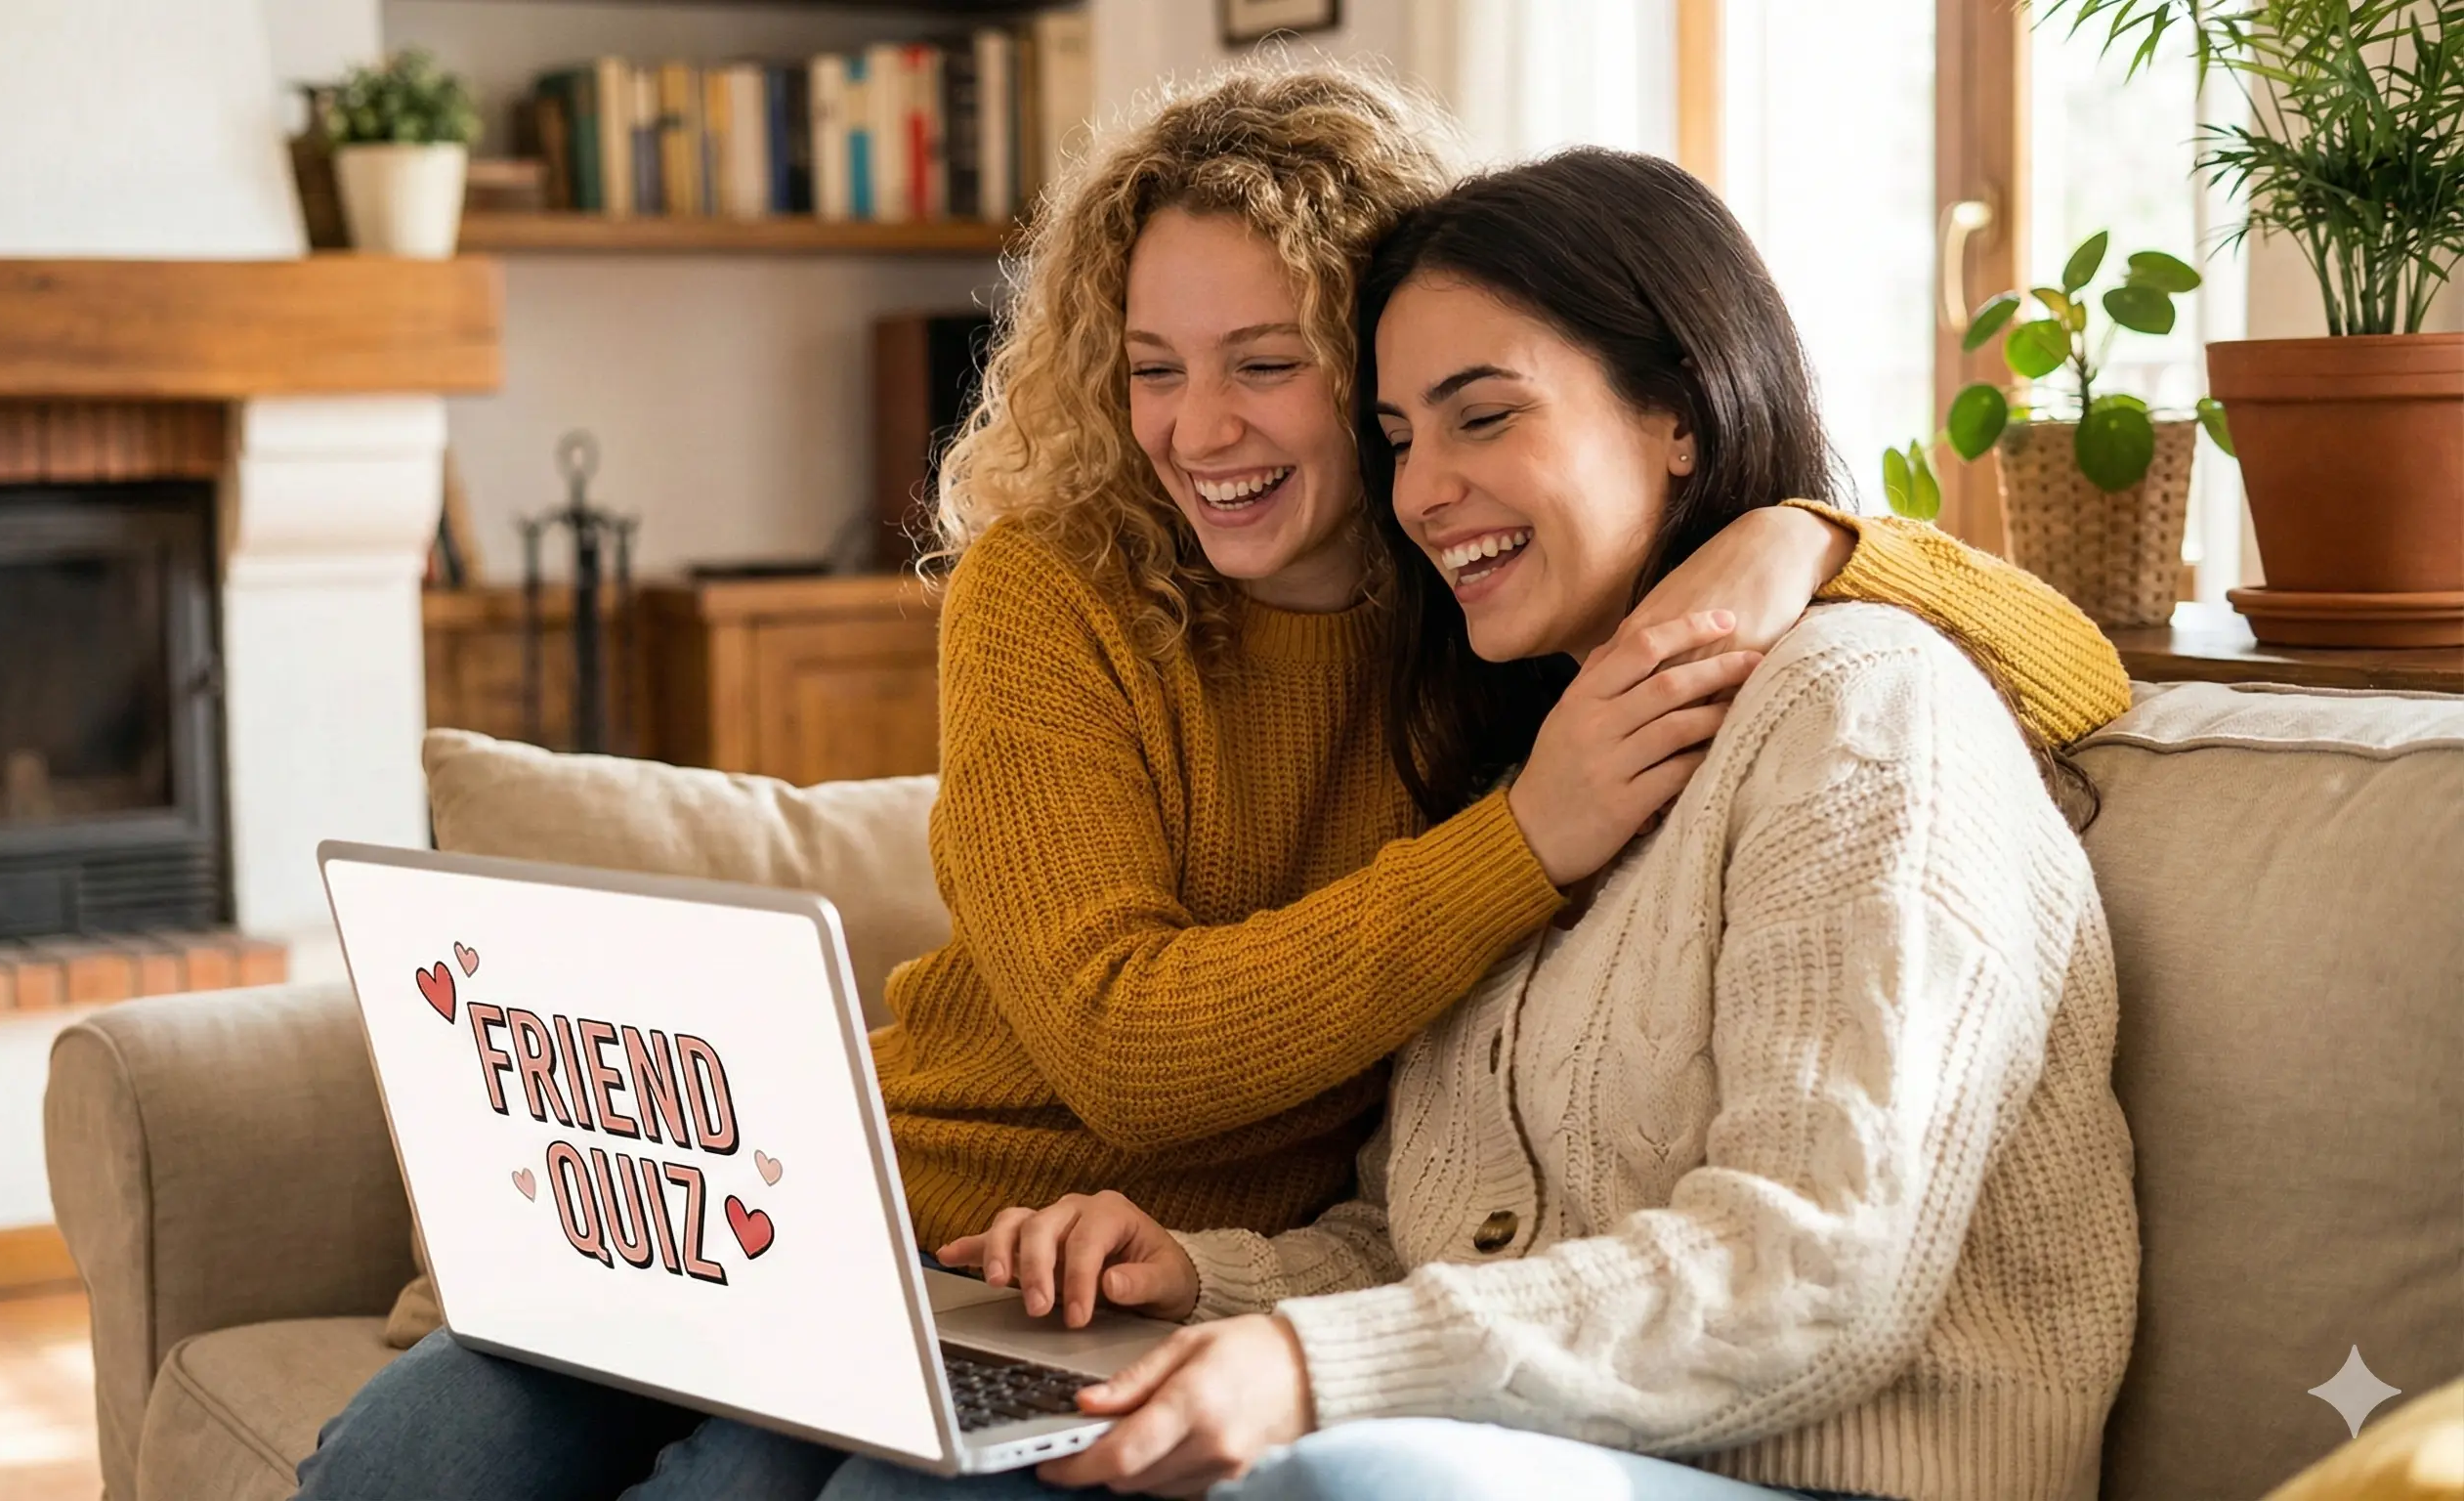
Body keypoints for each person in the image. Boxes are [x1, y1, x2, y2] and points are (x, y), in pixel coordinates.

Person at [297, 67, 2129, 1501]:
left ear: (1370, 357)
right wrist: (1523, 841)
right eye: (1153, 369)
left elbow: (2075, 676)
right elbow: (1119, 1043)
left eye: (1272, 366)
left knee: (795, 1481)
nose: (1197, 428)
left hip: (1126, 1291)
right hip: (904, 1208)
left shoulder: (1499, 640)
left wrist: (1796, 535)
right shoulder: (1083, 597)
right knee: (430, 1453)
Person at [804, 148, 2137, 1501]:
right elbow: (1438, 1240)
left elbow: (1807, 1266)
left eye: (1483, 418)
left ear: (1679, 410)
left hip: (1824, 1468)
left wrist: (1815, 536)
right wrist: (1212, 1277)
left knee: (1334, 1484)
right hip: (1527, 1432)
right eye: (1400, 439)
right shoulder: (1515, 755)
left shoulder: (1861, 712)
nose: (1424, 491)